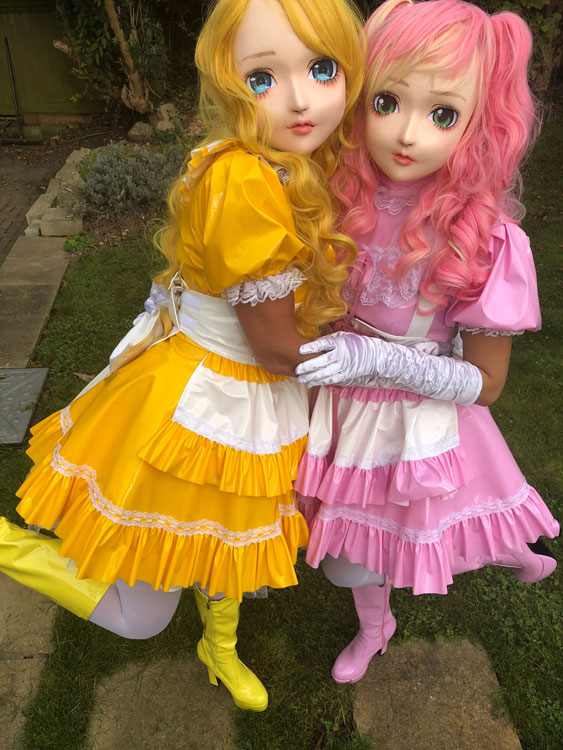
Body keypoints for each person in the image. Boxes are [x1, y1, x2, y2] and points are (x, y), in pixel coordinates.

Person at [0, 0, 364, 711]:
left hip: (238, 390)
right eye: (263, 78)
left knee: (225, 537)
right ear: (228, 82)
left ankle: (218, 648)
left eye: (322, 69)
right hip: (210, 400)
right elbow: (275, 347)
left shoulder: (270, 162)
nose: (299, 99)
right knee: (143, 614)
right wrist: (385, 364)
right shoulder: (246, 180)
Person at [294, 0, 560, 685]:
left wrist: (381, 359)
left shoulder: (488, 238)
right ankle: (376, 625)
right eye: (387, 102)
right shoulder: (331, 196)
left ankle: (506, 552)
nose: (407, 134)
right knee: (353, 548)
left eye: (443, 114)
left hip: (414, 408)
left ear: (480, 124)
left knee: (399, 530)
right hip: (337, 399)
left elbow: (487, 385)